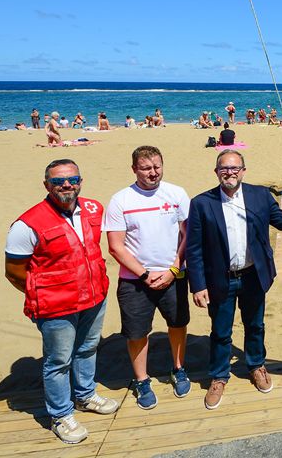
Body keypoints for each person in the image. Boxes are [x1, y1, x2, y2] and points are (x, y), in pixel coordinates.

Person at [185, 150, 282, 410]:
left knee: (255, 325)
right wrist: (199, 285)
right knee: (221, 331)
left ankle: (256, 366)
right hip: (220, 280)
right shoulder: (202, 203)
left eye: (235, 168)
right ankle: (218, 377)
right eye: (224, 168)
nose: (230, 173)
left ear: (243, 171)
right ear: (216, 172)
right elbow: (194, 249)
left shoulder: (260, 195)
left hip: (253, 276)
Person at [4, 159, 119, 444]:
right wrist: (44, 293)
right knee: (58, 361)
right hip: (56, 307)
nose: (66, 185)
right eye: (58, 181)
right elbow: (14, 271)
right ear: (47, 185)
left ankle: (85, 395)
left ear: (80, 181)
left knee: (88, 348)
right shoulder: (27, 223)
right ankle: (61, 415)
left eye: (72, 179)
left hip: (95, 296)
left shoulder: (93, 209)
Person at [103, 146, 192, 410]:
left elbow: (188, 234)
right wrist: (144, 274)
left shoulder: (176, 193)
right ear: (134, 169)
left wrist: (174, 269)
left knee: (177, 324)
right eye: (146, 168)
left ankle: (179, 368)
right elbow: (115, 245)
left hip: (173, 275)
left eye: (157, 167)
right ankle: (142, 379)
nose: (153, 173)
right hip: (135, 281)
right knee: (137, 333)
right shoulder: (121, 200)